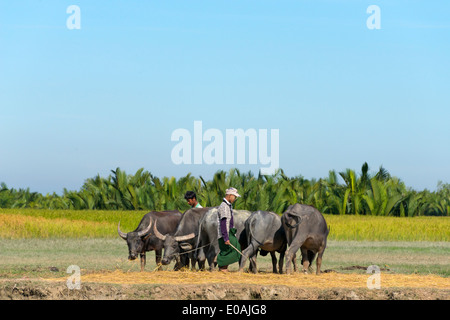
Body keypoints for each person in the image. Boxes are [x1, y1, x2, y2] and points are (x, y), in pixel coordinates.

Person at [217, 187, 241, 272]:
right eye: (234, 196)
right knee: (229, 250)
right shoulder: (224, 206)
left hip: (229, 233)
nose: (235, 199)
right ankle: (221, 265)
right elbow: (223, 223)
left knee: (235, 247)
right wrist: (225, 237)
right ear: (230, 196)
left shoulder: (228, 206)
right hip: (225, 234)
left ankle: (223, 267)